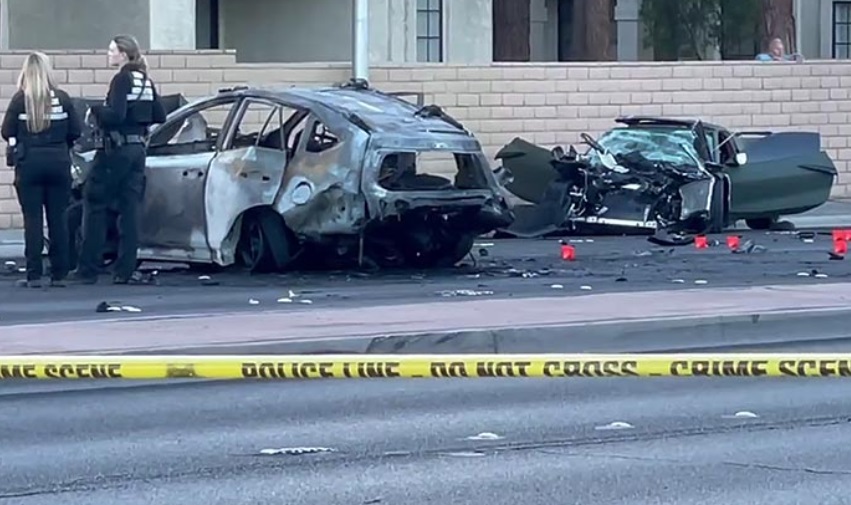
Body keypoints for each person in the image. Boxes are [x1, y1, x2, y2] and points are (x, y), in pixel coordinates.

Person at [70, 34, 166, 285]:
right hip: (137, 151)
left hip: (116, 150)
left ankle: (88, 269)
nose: (109, 54)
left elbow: (116, 114)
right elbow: (160, 114)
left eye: (112, 50)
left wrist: (96, 110)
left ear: (123, 54)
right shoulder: (144, 79)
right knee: (129, 209)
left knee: (94, 202)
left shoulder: (122, 78)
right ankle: (124, 269)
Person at [1, 52, 82, 288]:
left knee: (32, 219)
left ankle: (34, 274)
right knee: (58, 219)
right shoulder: (63, 99)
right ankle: (59, 274)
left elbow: (6, 131)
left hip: (29, 165)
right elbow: (76, 131)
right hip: (58, 163)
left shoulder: (20, 100)